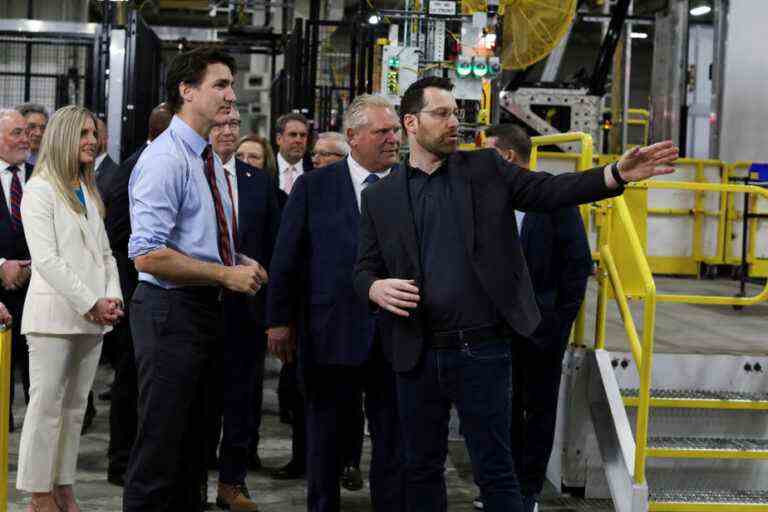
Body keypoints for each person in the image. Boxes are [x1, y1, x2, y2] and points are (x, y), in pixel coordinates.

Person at [353, 76, 678, 512]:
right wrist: (374, 287)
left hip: (483, 351)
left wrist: (615, 174)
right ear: (411, 122)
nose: (455, 123)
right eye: (442, 113)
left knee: (496, 470)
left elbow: (549, 191)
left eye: (456, 113)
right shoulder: (381, 196)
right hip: (417, 352)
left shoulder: (484, 169)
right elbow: (362, 268)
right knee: (421, 467)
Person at [123, 47, 267, 512]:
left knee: (194, 448)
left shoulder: (208, 159)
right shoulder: (166, 158)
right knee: (161, 449)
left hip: (206, 311)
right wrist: (225, 273)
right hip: (171, 313)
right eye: (220, 85)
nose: (231, 95)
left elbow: (197, 240)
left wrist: (237, 259)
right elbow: (146, 254)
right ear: (187, 91)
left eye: (231, 84)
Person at [268, 94, 405, 512]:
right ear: (354, 136)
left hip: (397, 336)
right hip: (330, 332)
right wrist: (279, 321)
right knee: (325, 439)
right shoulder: (314, 186)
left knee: (393, 441)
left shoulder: (409, 184)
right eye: (383, 131)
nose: (393, 139)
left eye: (396, 130)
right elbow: (287, 256)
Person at [474, 124, 593, 512]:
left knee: (537, 411)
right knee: (497, 410)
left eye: (485, 153)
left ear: (506, 157)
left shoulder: (552, 199)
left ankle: (527, 493)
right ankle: (499, 490)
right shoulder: (485, 199)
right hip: (493, 329)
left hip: (541, 331)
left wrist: (558, 325)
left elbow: (577, 266)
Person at [17, 104, 124, 512]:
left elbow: (106, 254)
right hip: (52, 317)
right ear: (62, 137)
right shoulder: (39, 189)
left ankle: (62, 484)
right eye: (83, 134)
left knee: (75, 408)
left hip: (93, 317)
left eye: (93, 134)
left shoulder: (88, 189)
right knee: (45, 407)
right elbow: (47, 260)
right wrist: (91, 301)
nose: (92, 141)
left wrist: (111, 297)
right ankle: (38, 492)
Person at [96, 102, 172, 487]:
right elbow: (120, 240)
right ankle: (121, 462)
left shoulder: (146, 161)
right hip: (134, 291)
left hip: (140, 290)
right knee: (131, 381)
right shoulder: (141, 166)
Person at [208, 108, 280, 511]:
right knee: (196, 401)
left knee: (241, 401)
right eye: (220, 124)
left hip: (246, 311)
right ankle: (187, 483)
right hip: (198, 306)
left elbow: (275, 241)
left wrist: (264, 272)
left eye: (234, 125)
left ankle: (232, 483)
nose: (228, 131)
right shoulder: (192, 174)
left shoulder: (258, 183)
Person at [0, 109, 33, 432]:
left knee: (35, 373)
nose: (26, 139)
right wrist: (1, 266)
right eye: (17, 133)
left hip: (37, 289)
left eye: (26, 132)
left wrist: (30, 267)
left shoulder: (43, 177)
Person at [275, 113, 313, 195]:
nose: (298, 140)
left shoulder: (314, 171)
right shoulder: (265, 168)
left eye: (303, 135)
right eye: (293, 135)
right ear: (279, 139)